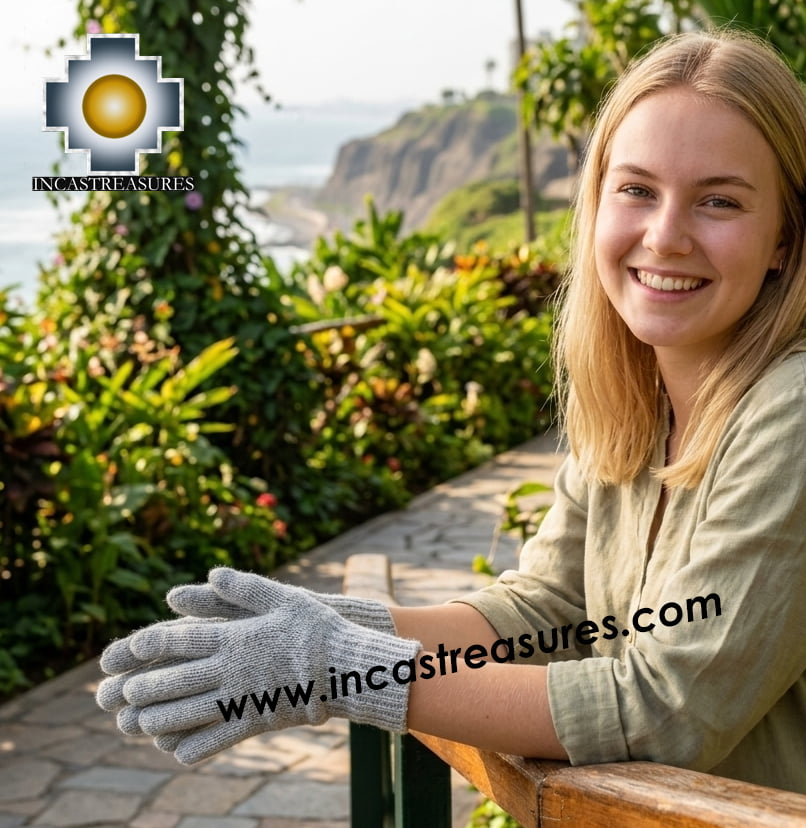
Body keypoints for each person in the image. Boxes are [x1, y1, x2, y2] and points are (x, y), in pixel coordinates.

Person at [96, 28, 806, 794]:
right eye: (636, 189)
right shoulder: (638, 398)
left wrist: (339, 668)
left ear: (784, 238)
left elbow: (667, 708)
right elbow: (550, 610)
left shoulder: (792, 412)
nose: (664, 236)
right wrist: (334, 626)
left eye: (719, 201)